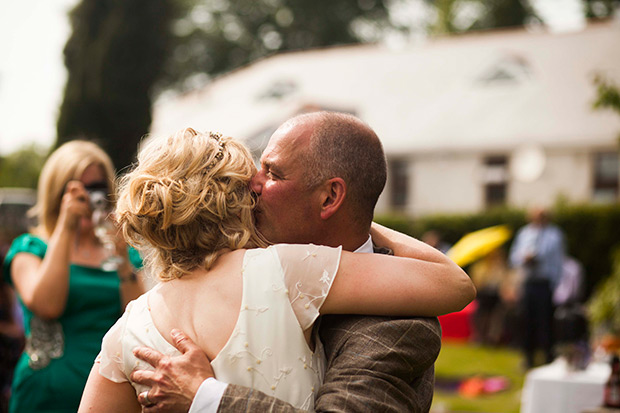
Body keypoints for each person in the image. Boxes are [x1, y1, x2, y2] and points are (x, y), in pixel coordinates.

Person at [79, 120, 475, 412]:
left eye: (271, 173)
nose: (258, 185)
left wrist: (208, 397)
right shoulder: (284, 269)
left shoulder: (127, 330)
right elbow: (454, 284)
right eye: (256, 174)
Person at [1, 140, 145, 412]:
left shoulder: (121, 251)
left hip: (113, 392)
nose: (87, 198)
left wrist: (122, 257)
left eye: (95, 189)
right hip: (47, 395)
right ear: (56, 193)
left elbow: (140, 319)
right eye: (77, 189)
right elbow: (47, 305)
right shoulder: (31, 249)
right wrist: (66, 227)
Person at [509, 207, 565, 368]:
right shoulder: (524, 233)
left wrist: (556, 284)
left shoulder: (555, 235)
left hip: (545, 284)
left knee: (545, 321)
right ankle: (528, 358)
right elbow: (514, 257)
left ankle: (548, 356)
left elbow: (558, 261)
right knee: (527, 320)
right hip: (528, 283)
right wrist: (524, 259)